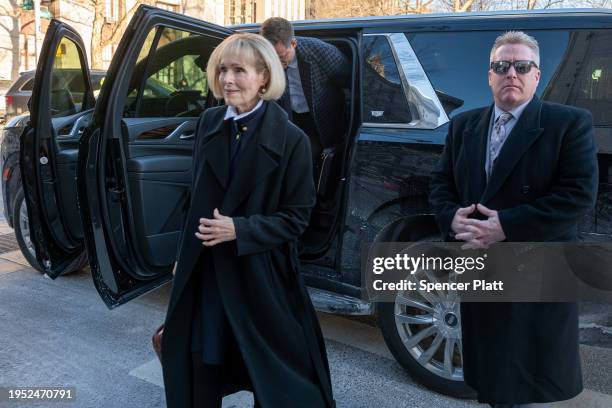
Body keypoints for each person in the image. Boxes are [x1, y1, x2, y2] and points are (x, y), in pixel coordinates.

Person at [160, 33, 335, 408]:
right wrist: (181, 254)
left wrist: (240, 229)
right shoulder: (208, 123)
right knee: (200, 366)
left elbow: (297, 218)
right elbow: (194, 199)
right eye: (222, 69)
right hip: (206, 271)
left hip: (260, 275)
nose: (227, 79)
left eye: (239, 70)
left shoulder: (292, 140)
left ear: (264, 78)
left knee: (272, 378)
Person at [429, 31, 598, 407]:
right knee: (490, 373)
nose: (511, 73)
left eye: (522, 66)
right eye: (501, 66)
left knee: (526, 376)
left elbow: (578, 195)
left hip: (536, 266)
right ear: (488, 75)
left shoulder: (568, 123)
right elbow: (440, 183)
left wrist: (505, 225)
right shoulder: (463, 124)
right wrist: (450, 217)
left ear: (537, 75)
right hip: (480, 266)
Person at [260, 17, 350, 164]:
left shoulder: (321, 52)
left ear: (293, 44)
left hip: (320, 119)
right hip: (287, 117)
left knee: (303, 157)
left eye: (281, 57)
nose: (276, 63)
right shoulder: (263, 58)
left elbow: (348, 78)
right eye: (271, 57)